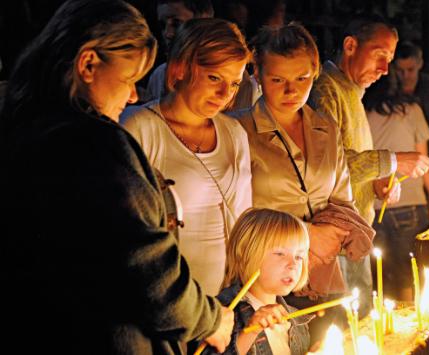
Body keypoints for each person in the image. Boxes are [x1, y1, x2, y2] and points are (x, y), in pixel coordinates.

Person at [0, 0, 233, 353]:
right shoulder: (94, 144)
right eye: (129, 79)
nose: (135, 94)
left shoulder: (21, 127)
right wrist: (209, 319)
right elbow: (148, 269)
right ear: (89, 63)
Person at [232, 23, 373, 341]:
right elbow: (236, 211)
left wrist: (328, 238)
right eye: (277, 80)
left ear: (315, 72)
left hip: (325, 277)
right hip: (267, 284)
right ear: (258, 75)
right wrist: (308, 235)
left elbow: (342, 201)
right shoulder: (237, 131)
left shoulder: (326, 128)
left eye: (302, 79)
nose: (290, 91)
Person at [309, 15, 429, 316]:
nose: (384, 70)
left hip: (355, 231)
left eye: (389, 60)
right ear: (350, 45)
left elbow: (351, 167)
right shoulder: (325, 90)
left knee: (362, 317)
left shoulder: (353, 93)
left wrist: (377, 183)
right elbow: (330, 164)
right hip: (333, 235)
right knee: (347, 323)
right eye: (380, 56)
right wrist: (394, 160)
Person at [124, 18, 252, 296]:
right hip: (163, 297)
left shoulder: (234, 133)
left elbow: (243, 219)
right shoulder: (140, 128)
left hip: (223, 297)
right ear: (180, 68)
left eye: (234, 84)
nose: (224, 94)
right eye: (214, 78)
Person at [364, 69, 429, 300]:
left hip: (372, 206)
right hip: (409, 203)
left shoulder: (362, 114)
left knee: (379, 275)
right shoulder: (412, 111)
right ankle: (413, 324)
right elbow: (423, 161)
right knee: (408, 272)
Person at [208, 208, 310, 355]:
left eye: (299, 257)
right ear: (245, 253)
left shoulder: (298, 320)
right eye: (280, 253)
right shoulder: (216, 315)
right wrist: (251, 331)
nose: (293, 265)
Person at [145, 0, 214, 102]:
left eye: (177, 24)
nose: (167, 34)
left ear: (203, 23)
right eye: (163, 25)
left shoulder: (231, 76)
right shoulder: (159, 76)